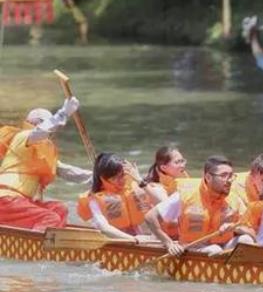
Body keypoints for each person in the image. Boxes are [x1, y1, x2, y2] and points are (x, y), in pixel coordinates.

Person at [0, 97, 85, 231]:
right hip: (6, 199)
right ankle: (37, 249)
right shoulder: (23, 136)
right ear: (31, 122)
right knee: (50, 219)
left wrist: (101, 176)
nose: (51, 133)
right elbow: (41, 131)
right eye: (45, 125)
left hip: (20, 202)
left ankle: (52, 245)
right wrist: (63, 113)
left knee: (59, 209)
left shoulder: (41, 152)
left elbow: (67, 171)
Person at [144, 155, 250, 256]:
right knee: (214, 249)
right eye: (223, 175)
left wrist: (236, 228)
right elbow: (150, 217)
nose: (230, 180)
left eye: (231, 175)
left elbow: (252, 229)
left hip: (225, 247)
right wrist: (169, 243)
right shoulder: (185, 195)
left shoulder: (234, 198)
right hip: (193, 248)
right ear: (208, 177)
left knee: (246, 239)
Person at [76, 153, 154, 241]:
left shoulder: (136, 187)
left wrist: (139, 180)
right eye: (114, 178)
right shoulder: (94, 200)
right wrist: (133, 239)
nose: (121, 180)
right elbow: (104, 228)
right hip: (112, 240)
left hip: (139, 236)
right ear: (104, 179)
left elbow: (161, 204)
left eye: (122, 175)